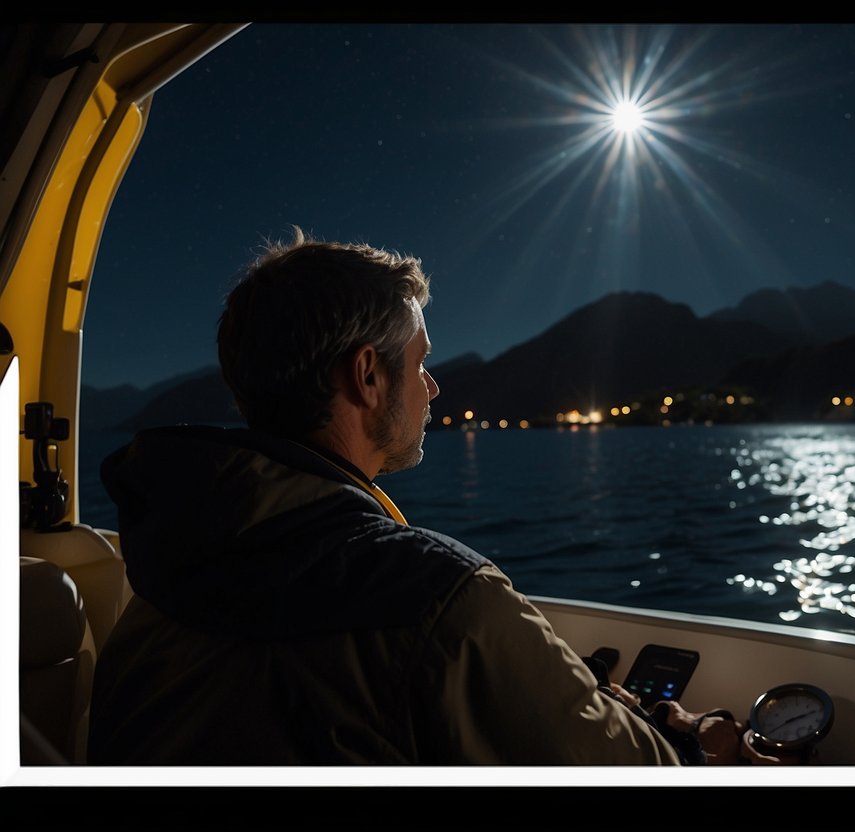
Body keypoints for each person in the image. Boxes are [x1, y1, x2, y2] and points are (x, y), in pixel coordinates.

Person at [87, 228, 749, 765]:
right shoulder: (443, 599)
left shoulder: (158, 583)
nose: (432, 388)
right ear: (369, 375)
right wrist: (692, 741)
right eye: (421, 362)